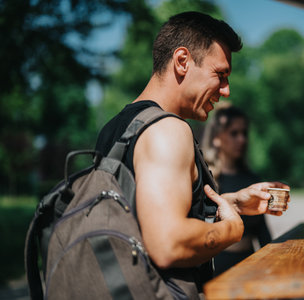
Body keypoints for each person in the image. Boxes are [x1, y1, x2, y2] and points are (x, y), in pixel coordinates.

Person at [95, 11, 289, 298]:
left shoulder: (115, 129)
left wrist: (233, 202)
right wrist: (232, 231)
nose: (225, 90)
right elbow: (167, 244)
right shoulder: (168, 130)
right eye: (220, 75)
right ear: (182, 61)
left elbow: (142, 211)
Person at [201, 104, 272, 275]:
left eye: (244, 133)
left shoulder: (252, 180)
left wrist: (272, 264)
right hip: (217, 266)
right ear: (217, 137)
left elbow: (263, 232)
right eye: (234, 133)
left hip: (250, 263)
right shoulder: (206, 180)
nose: (242, 139)